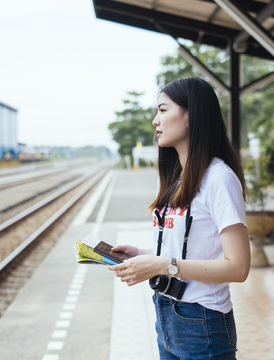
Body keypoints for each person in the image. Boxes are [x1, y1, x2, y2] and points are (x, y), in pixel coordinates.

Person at [109, 77, 250, 360]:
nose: (154, 121)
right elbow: (198, 247)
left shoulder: (219, 179)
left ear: (190, 115)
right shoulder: (179, 178)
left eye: (162, 110)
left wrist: (161, 264)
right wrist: (144, 255)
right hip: (167, 313)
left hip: (202, 322)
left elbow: (238, 267)